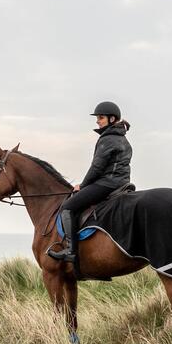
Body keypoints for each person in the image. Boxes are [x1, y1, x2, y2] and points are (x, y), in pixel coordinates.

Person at [48, 101, 131, 263]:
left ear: (112, 119)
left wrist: (83, 185)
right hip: (121, 182)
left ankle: (70, 250)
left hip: (107, 184)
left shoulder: (107, 139)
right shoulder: (122, 139)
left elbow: (97, 168)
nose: (97, 121)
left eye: (101, 118)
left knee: (67, 206)